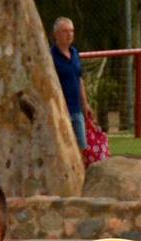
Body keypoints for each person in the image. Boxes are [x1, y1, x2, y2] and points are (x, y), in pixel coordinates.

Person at [51, 17, 88, 151]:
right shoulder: (50, 56)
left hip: (76, 110)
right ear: (56, 34)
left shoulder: (75, 53)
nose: (69, 34)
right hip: (60, 112)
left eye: (71, 31)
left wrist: (85, 104)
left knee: (82, 148)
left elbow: (79, 79)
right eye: (65, 31)